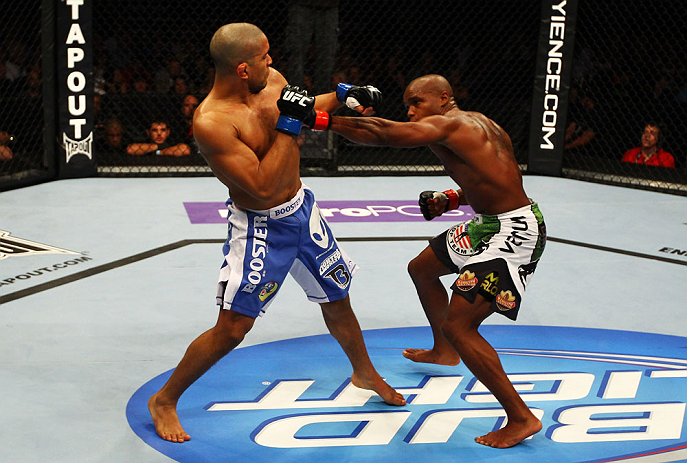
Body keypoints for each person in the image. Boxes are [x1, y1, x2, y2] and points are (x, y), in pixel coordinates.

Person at [147, 22, 405, 444]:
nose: (274, 61)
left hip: (303, 209)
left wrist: (341, 97)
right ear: (243, 68)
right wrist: (290, 123)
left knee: (338, 297)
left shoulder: (273, 80)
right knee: (233, 328)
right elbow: (262, 186)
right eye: (265, 56)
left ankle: (363, 372)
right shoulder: (212, 123)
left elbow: (296, 105)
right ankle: (165, 399)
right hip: (260, 227)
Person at [322, 74, 547, 448]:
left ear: (444, 98)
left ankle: (521, 417)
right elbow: (495, 175)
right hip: (485, 224)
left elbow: (384, 134)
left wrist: (320, 120)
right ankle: (443, 352)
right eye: (407, 104)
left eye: (417, 103)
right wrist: (454, 199)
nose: (410, 112)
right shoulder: (483, 124)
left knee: (460, 326)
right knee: (422, 268)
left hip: (512, 234)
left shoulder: (449, 123)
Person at [126, 119, 190, 156]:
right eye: (155, 130)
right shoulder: (144, 143)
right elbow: (130, 149)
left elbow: (185, 150)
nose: (159, 134)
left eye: (163, 130)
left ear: (168, 132)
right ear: (148, 132)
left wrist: (159, 152)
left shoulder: (172, 143)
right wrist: (158, 146)